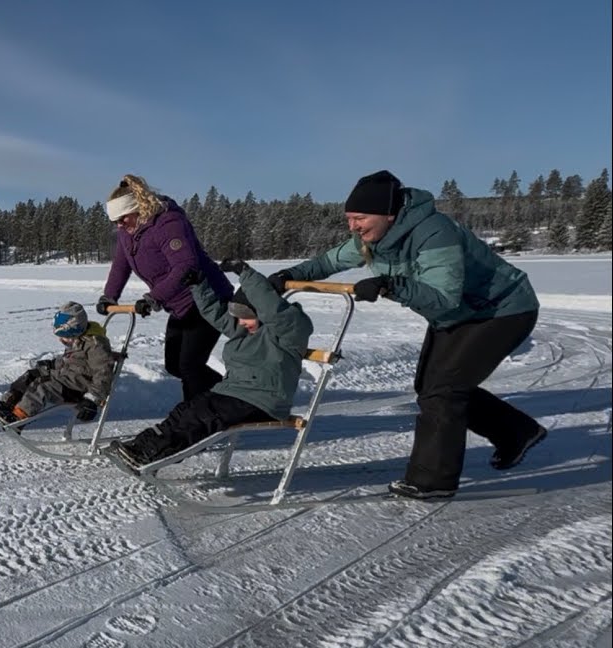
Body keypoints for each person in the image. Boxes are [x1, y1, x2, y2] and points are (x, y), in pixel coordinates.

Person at [267, 170, 545, 500]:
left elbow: (443, 297)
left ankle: (433, 481)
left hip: (502, 310)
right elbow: (328, 261)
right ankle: (517, 432)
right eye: (349, 218)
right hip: (459, 314)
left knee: (444, 391)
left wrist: (391, 285)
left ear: (388, 214)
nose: (353, 226)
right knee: (431, 388)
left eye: (360, 218)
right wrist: (288, 275)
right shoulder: (372, 238)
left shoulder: (434, 232)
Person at [107, 260, 313, 466]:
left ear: (261, 310)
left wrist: (246, 274)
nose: (240, 322)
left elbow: (273, 309)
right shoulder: (246, 329)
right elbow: (215, 313)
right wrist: (199, 284)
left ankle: (152, 454)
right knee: (186, 410)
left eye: (245, 316)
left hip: (263, 399)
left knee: (202, 417)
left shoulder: (289, 329)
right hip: (236, 393)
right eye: (238, 316)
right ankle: (142, 446)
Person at [97, 174, 233, 403]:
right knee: (174, 365)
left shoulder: (168, 223)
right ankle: (228, 398)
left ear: (138, 209)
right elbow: (121, 265)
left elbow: (185, 265)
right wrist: (109, 296)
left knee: (190, 365)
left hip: (207, 298)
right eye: (115, 222)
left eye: (123, 219)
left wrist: (154, 297)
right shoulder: (126, 232)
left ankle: (197, 417)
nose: (119, 225)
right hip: (179, 305)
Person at [0, 301, 118, 426]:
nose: (63, 342)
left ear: (75, 329)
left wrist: (92, 399)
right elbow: (71, 361)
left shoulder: (95, 345)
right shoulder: (77, 339)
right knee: (33, 374)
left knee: (43, 386)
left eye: (65, 339)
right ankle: (8, 403)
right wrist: (51, 365)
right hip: (66, 378)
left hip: (79, 389)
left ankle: (18, 418)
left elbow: (103, 373)